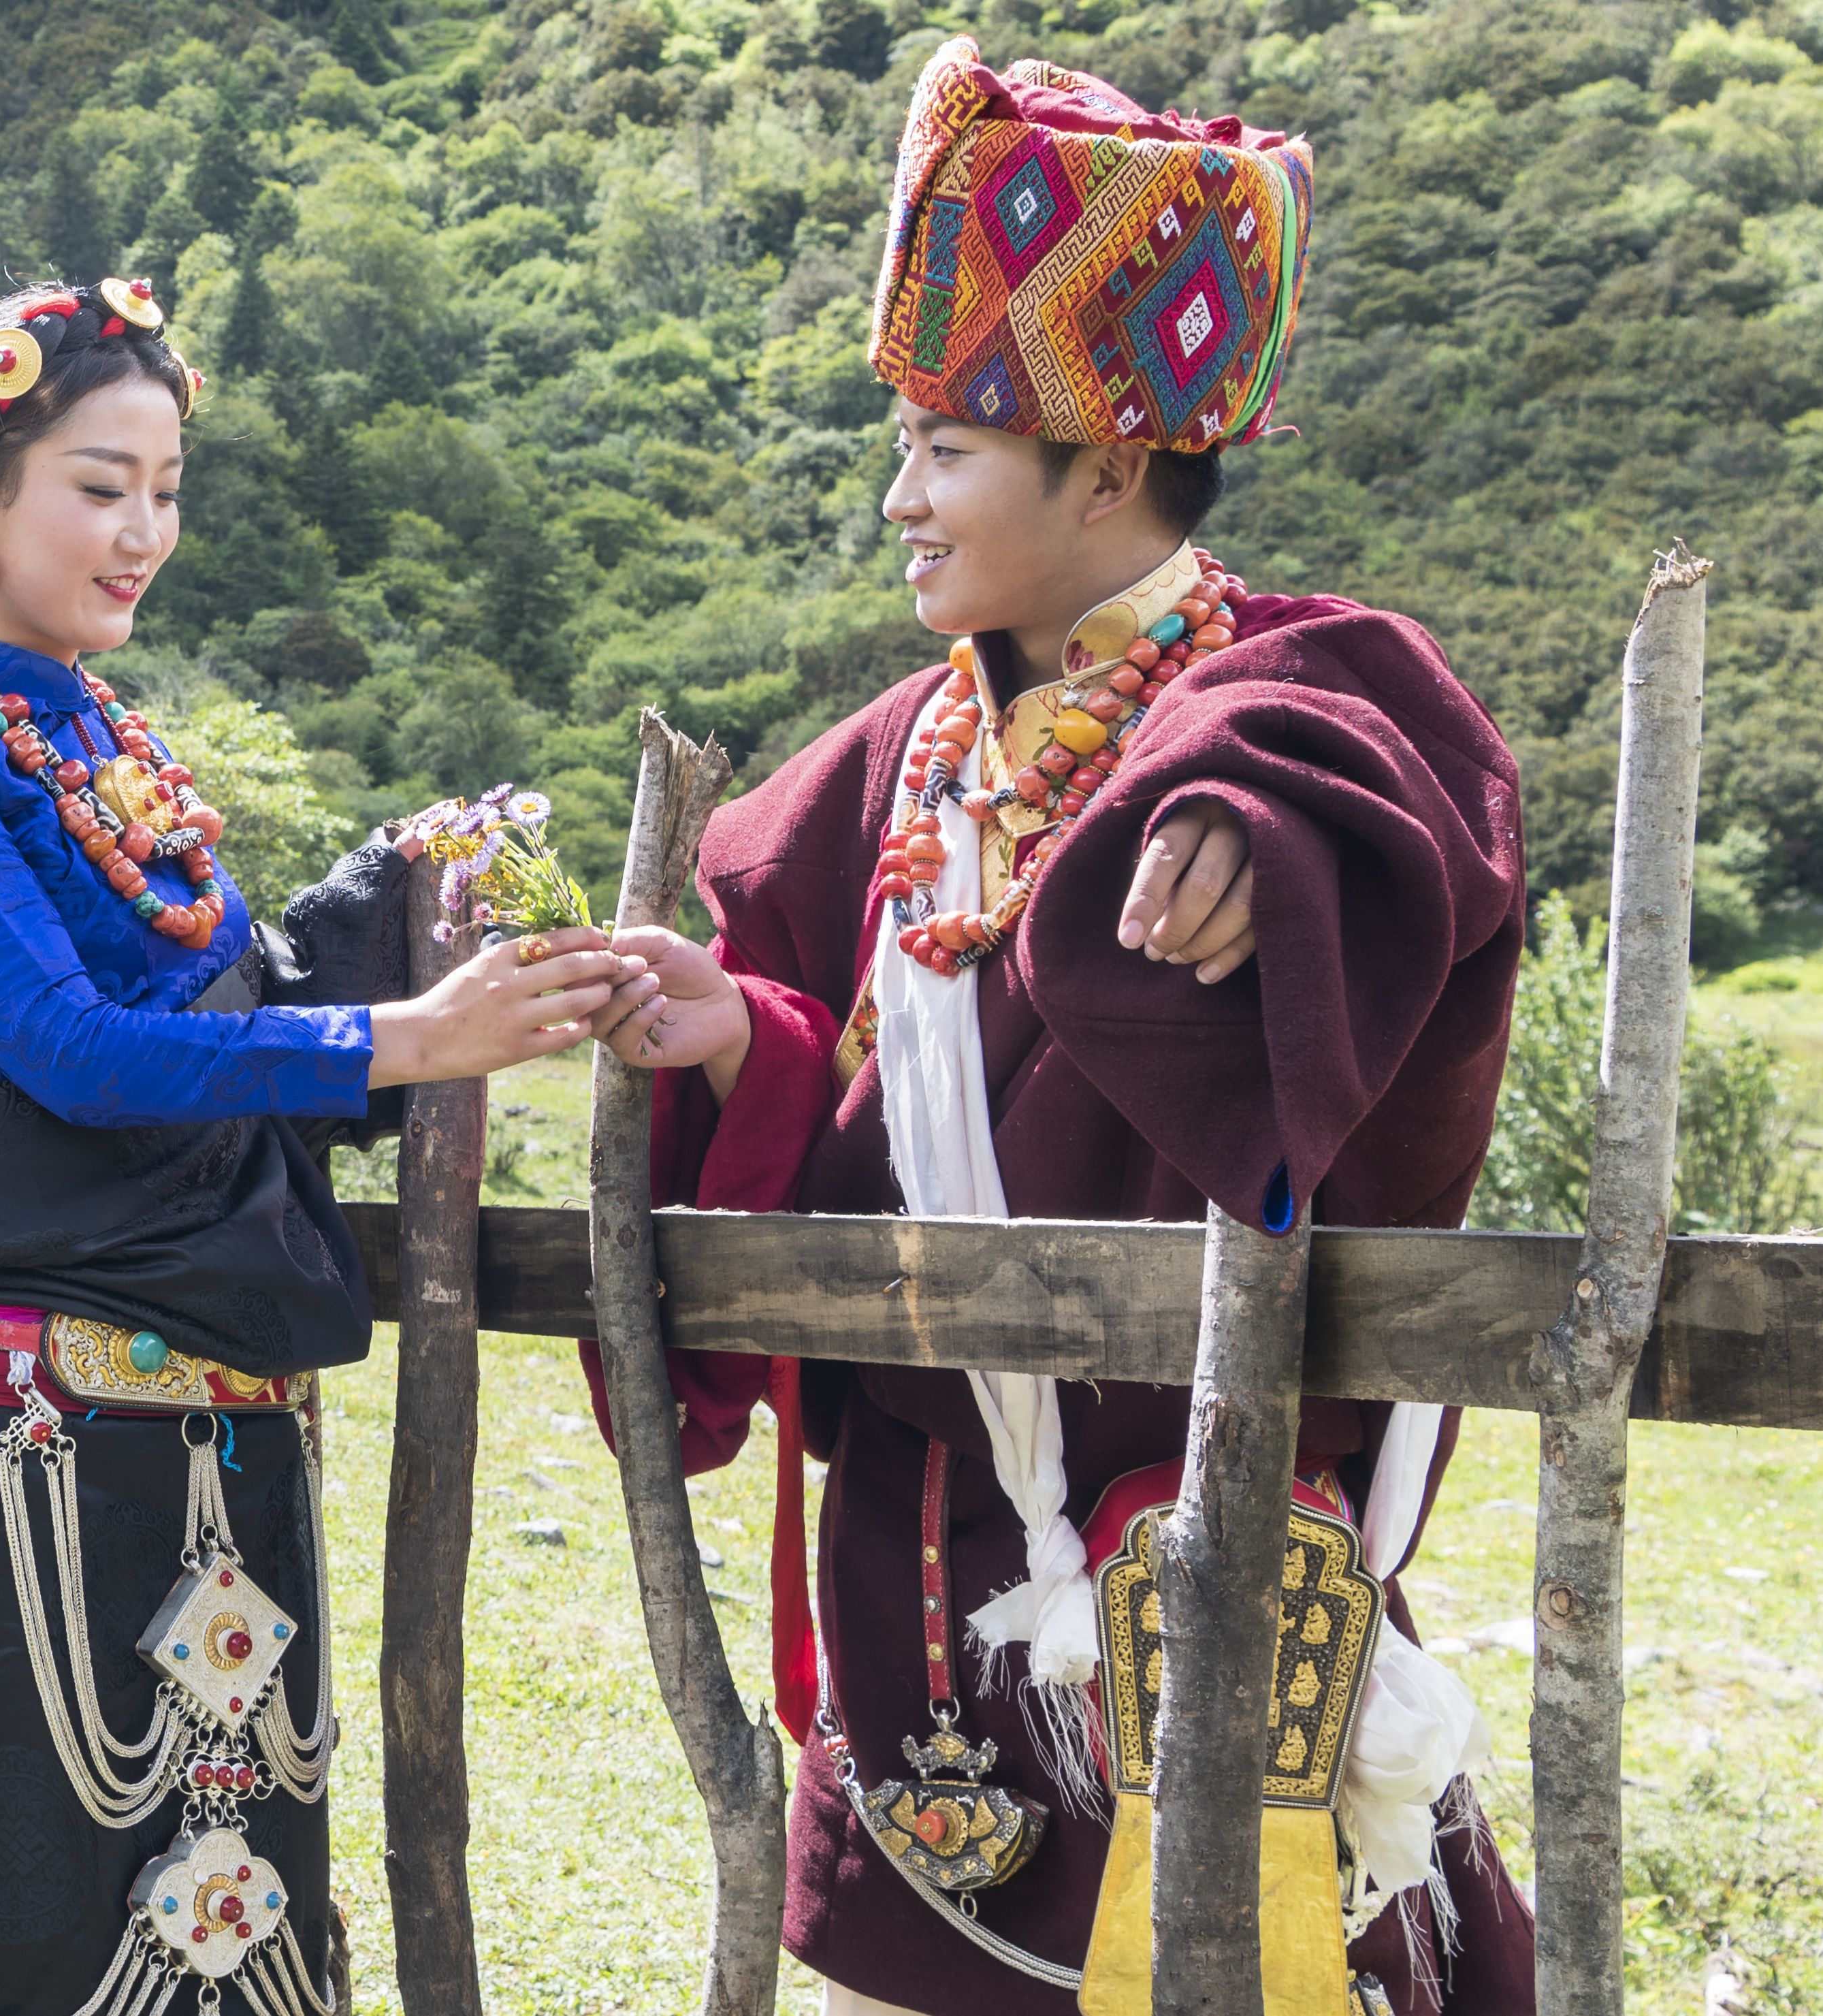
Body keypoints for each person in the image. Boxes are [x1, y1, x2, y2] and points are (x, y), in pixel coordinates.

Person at [580, 44, 1535, 2016]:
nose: (898, 499)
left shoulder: (1296, 701)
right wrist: (737, 1038)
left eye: (943, 450)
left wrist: (1256, 832)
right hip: (919, 1572)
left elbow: (1384, 787)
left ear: (1104, 467)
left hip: (1214, 1555)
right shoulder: (889, 766)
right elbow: (827, 1078)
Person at [0, 278, 636, 2016]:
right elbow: (73, 1053)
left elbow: (218, 1006)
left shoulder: (108, 743)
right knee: (3, 1918)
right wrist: (406, 1036)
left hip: (215, 1437)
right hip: (2, 1448)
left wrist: (408, 891)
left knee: (214, 1915)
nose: (144, 531)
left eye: (166, 488)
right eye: (98, 485)